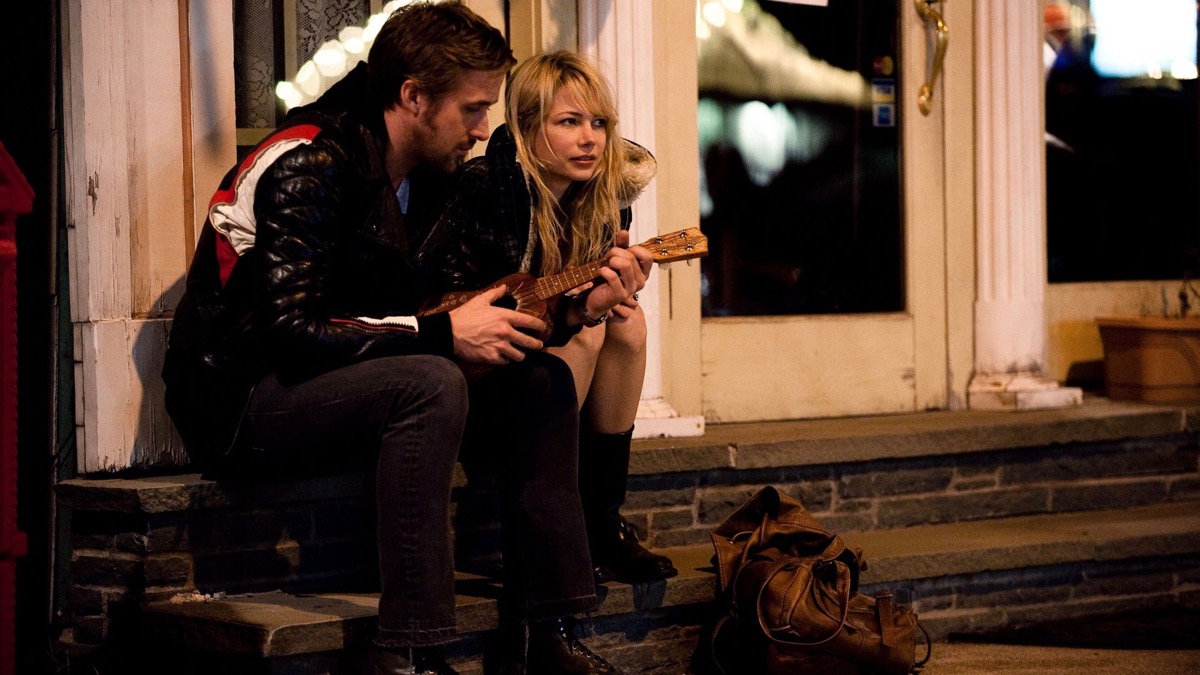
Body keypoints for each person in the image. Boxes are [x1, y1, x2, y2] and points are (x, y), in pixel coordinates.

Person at [162, 4, 624, 674]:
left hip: (356, 377)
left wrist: (578, 310)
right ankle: (412, 649)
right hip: (245, 395)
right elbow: (291, 331)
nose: (483, 128)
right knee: (430, 380)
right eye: (472, 109)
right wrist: (438, 334)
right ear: (414, 97)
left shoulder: (435, 176)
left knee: (539, 379)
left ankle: (545, 632)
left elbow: (461, 305)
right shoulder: (310, 162)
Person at [423, 50, 678, 586]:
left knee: (627, 323)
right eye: (569, 122)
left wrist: (608, 293)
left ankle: (601, 522)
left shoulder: (604, 201)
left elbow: (584, 306)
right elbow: (470, 308)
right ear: (526, 127)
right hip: (480, 378)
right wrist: (579, 313)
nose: (590, 139)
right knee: (585, 337)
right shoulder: (485, 190)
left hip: (544, 361)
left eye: (599, 123)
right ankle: (555, 527)